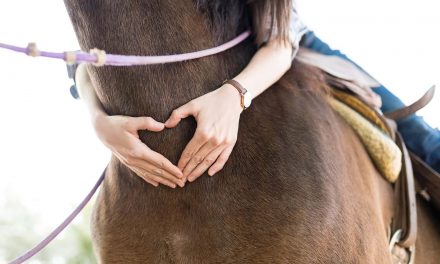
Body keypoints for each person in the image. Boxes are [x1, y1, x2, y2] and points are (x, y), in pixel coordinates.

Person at [73, 0, 439, 189]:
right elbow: (87, 61)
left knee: (422, 140)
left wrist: (235, 94)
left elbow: (281, 39)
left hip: (283, 44)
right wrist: (97, 121)